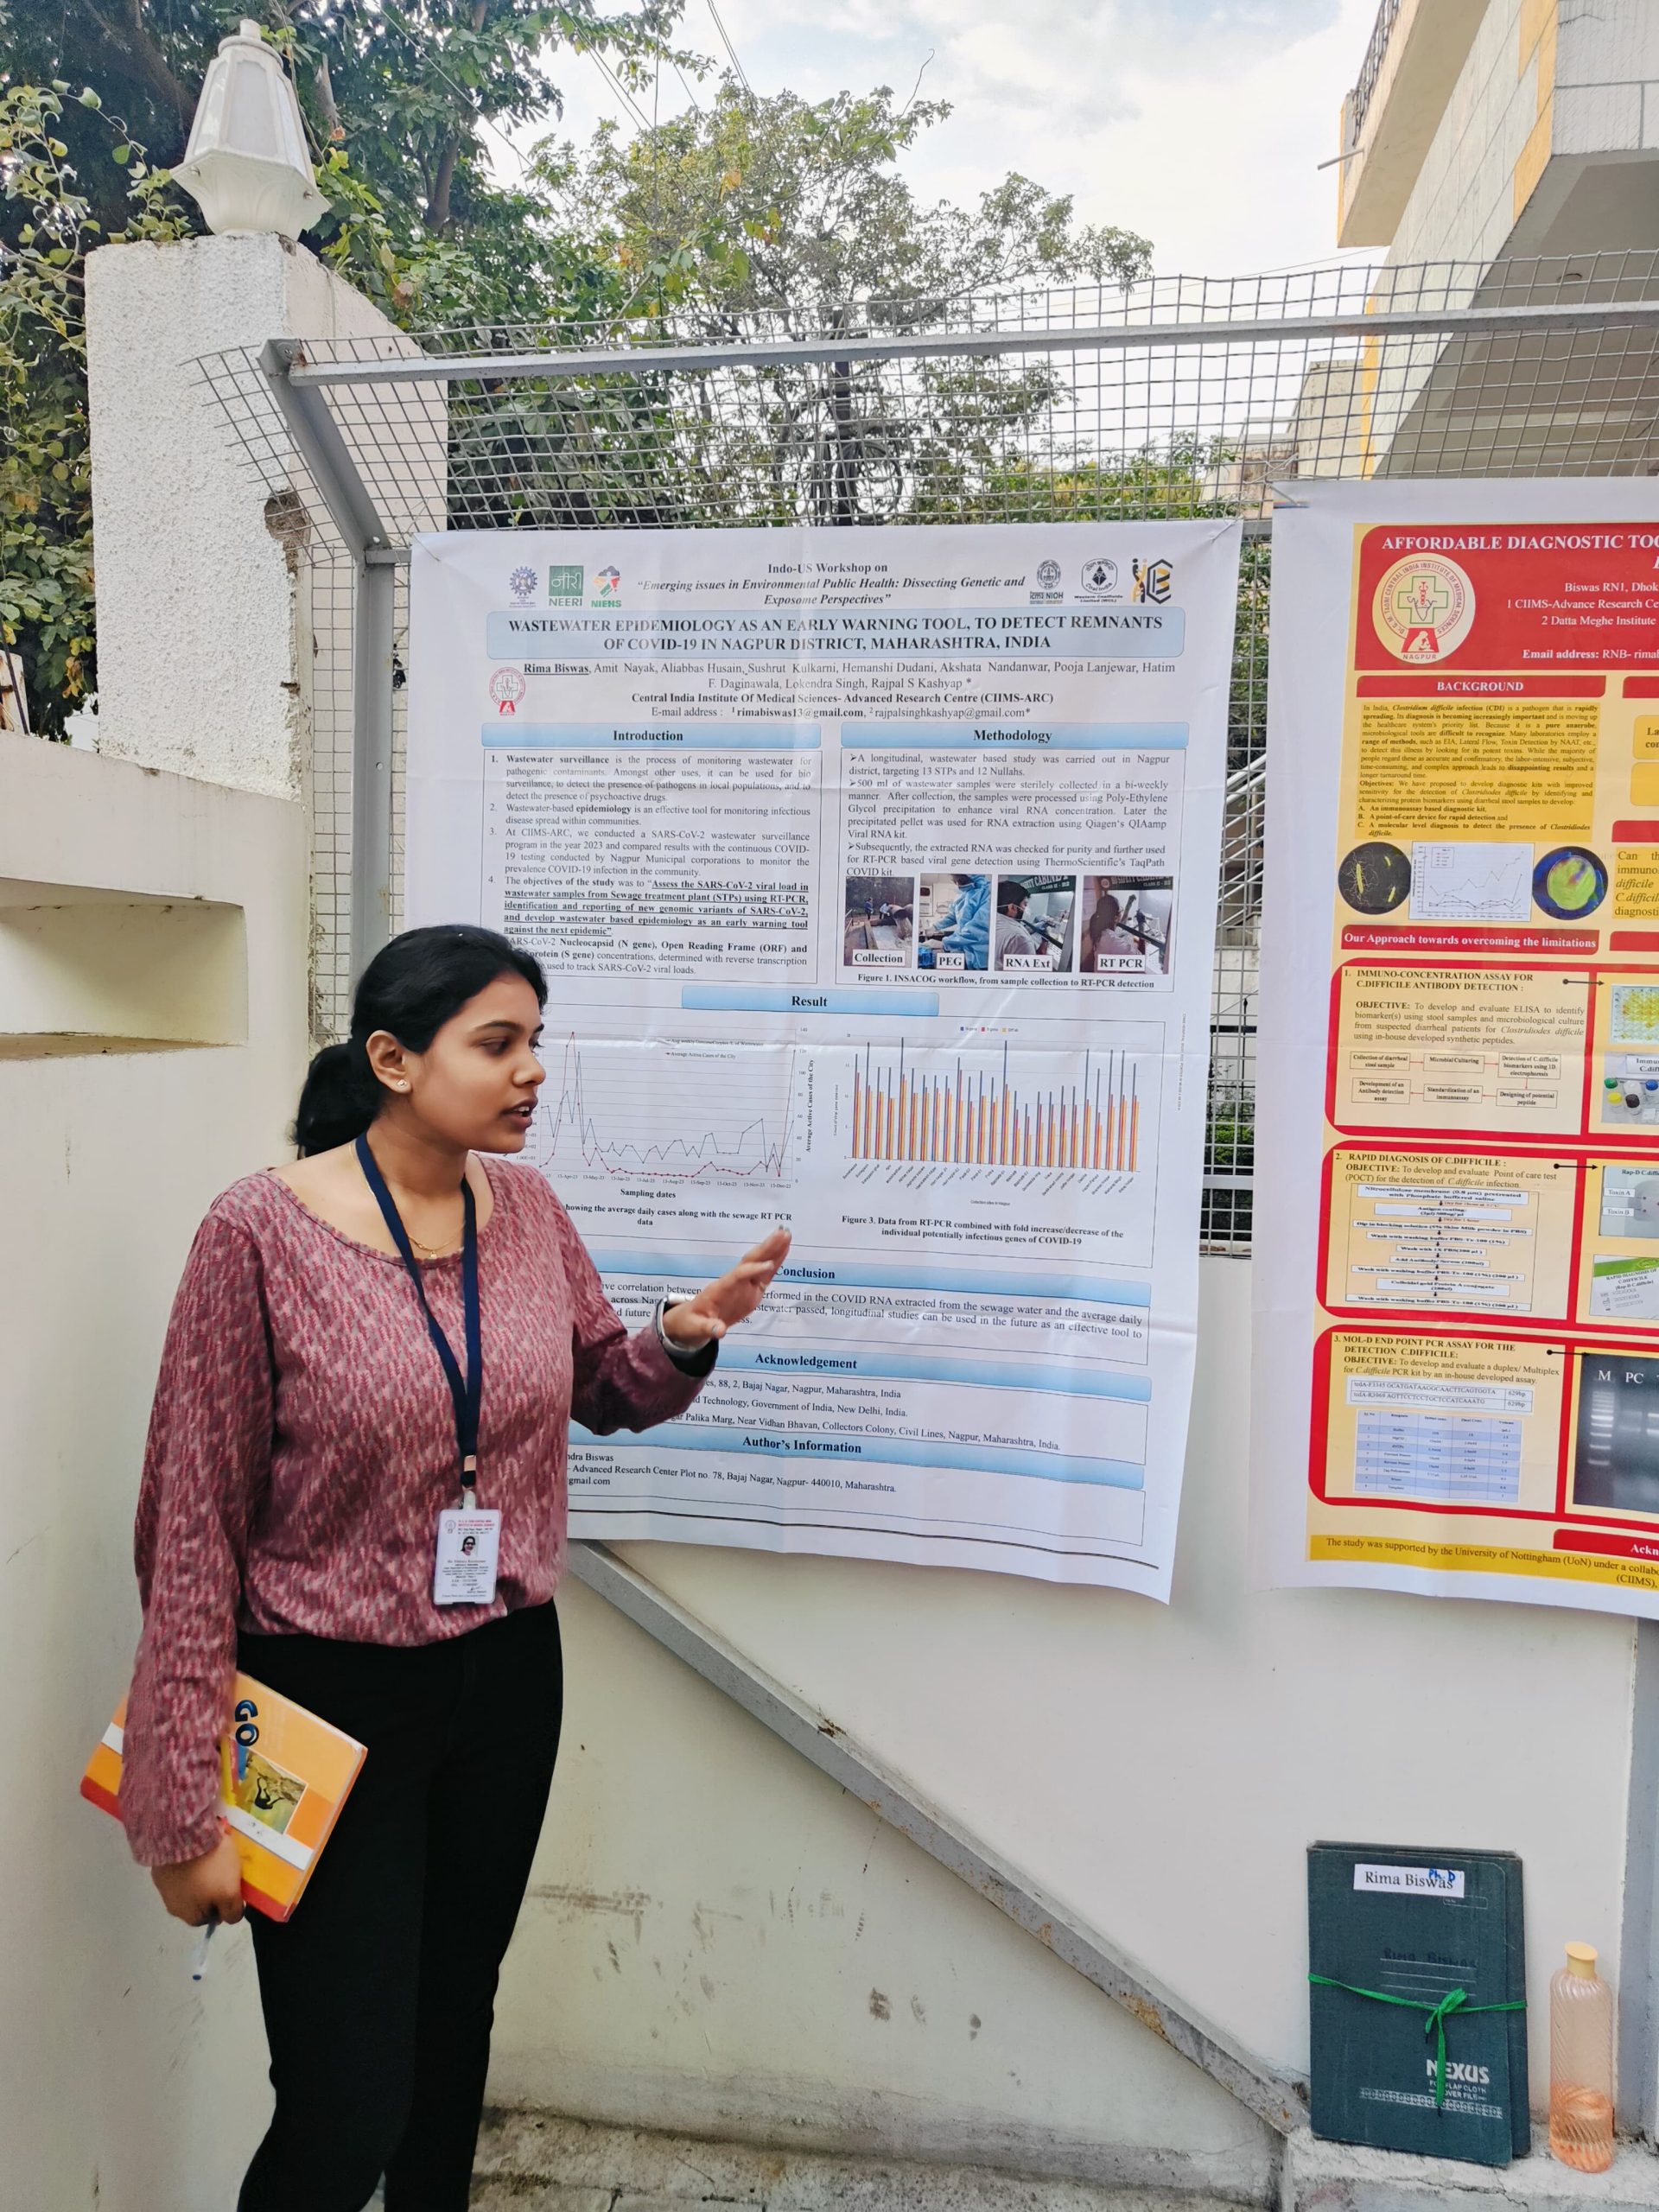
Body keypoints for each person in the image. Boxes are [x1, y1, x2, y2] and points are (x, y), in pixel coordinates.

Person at [121, 924, 789, 2212]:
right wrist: (178, 1806)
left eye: (537, 1040)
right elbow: (190, 1526)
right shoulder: (255, 1234)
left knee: (449, 2036)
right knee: (345, 2098)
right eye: (498, 1043)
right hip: (326, 1697)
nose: (532, 1069)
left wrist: (680, 1337)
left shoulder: (526, 1211)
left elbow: (598, 1383)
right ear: (393, 1059)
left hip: (505, 1680)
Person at [924, 873, 989, 969]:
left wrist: (945, 943)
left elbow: (977, 929)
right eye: (954, 881)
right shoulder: (961, 896)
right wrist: (935, 926)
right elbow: (953, 916)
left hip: (979, 951)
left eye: (962, 881)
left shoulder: (988, 894)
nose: (958, 885)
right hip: (962, 947)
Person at [1080, 887, 1142, 969]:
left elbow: (1120, 925)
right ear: (1115, 918)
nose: (1121, 912)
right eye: (1120, 910)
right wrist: (1142, 926)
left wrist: (1128, 906)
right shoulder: (1114, 941)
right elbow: (1140, 960)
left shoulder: (1100, 931)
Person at [994, 880, 1033, 966]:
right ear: (1012, 908)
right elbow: (1031, 970)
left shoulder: (991, 921)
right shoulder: (1020, 939)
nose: (1027, 909)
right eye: (1025, 905)